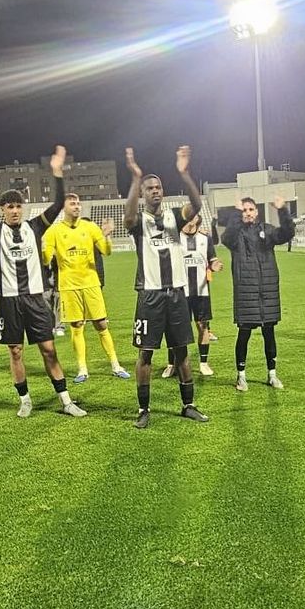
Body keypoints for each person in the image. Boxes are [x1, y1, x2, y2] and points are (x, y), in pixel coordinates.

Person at [0, 147, 86, 419]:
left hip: (34, 298)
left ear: (23, 208)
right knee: (16, 350)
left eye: (18, 206)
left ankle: (66, 401)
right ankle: (25, 400)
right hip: (9, 300)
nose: (15, 210)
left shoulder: (35, 227)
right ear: (2, 210)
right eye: (10, 206)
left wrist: (57, 174)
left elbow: (57, 206)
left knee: (48, 349)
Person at [123, 144, 208, 428]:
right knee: (145, 353)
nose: (155, 191)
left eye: (158, 187)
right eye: (150, 188)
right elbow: (128, 217)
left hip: (177, 295)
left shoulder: (174, 215)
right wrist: (136, 179)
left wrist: (184, 174)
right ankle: (143, 409)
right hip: (150, 296)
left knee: (181, 351)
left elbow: (196, 206)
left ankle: (189, 405)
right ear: (144, 194)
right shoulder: (139, 222)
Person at [42, 192, 129, 383]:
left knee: (101, 324)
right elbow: (46, 259)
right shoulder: (54, 231)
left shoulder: (90, 227)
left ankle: (115, 364)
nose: (76, 206)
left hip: (91, 283)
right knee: (77, 326)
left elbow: (106, 252)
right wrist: (45, 249)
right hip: (69, 287)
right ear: (63, 207)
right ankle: (83, 369)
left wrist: (106, 237)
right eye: (72, 203)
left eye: (78, 203)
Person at [222, 194, 294, 391]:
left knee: (269, 333)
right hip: (246, 292)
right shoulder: (236, 236)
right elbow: (226, 238)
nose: (247, 213)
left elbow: (287, 234)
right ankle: (241, 376)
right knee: (243, 334)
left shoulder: (267, 231)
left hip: (267, 292)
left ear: (257, 212)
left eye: (250, 209)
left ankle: (272, 374)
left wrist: (282, 210)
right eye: (244, 210)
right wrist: (235, 215)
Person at [164, 212, 221, 377]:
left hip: (201, 291)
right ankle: (171, 364)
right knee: (175, 328)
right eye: (187, 216)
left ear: (198, 219)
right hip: (180, 291)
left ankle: (203, 363)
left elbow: (213, 259)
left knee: (203, 326)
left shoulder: (206, 239)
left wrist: (215, 265)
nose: (190, 219)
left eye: (193, 216)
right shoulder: (174, 238)